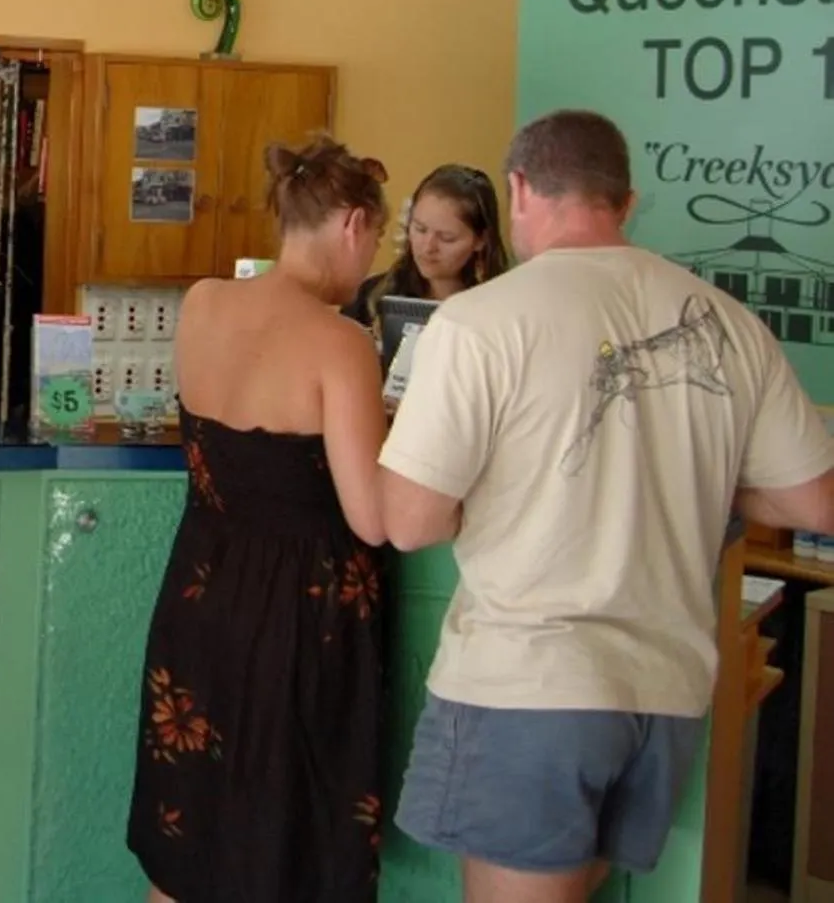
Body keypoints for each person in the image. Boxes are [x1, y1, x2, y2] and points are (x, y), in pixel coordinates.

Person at [381, 110, 834, 901]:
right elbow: (816, 500)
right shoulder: (729, 322)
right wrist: (685, 474)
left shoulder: (479, 321)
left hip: (530, 684)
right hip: (666, 693)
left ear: (519, 188)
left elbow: (410, 520)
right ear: (625, 201)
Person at [128, 135, 392, 903]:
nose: (369, 262)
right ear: (352, 224)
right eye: (376, 240)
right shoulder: (341, 343)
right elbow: (372, 517)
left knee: (189, 839)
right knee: (282, 849)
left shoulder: (203, 302)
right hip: (298, 626)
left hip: (200, 597)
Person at [345, 163, 510, 334]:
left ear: (481, 240)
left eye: (447, 238)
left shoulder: (500, 312)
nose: (428, 247)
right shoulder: (371, 297)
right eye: (420, 229)